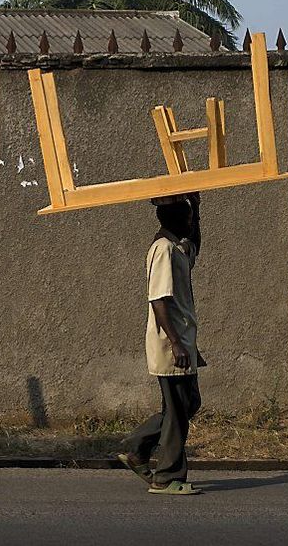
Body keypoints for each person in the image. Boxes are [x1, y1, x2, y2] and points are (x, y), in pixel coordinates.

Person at [118, 192, 203, 495]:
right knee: (179, 411)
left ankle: (137, 447)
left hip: (182, 343)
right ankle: (167, 477)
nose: (191, 224)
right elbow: (159, 300)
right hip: (172, 346)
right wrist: (177, 344)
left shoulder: (177, 248)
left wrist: (197, 204)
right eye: (188, 218)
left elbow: (196, 244)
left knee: (188, 404)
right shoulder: (163, 250)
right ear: (176, 220)